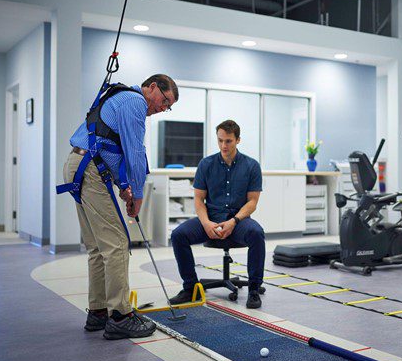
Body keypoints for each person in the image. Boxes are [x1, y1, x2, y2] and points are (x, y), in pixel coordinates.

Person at [63, 74, 178, 339]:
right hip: (89, 170)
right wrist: (137, 195)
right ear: (151, 87)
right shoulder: (135, 102)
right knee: (116, 244)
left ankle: (99, 312)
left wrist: (121, 185)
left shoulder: (122, 99)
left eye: (168, 106)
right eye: (164, 100)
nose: (163, 108)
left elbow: (110, 147)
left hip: (78, 166)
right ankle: (120, 316)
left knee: (98, 247)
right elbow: (135, 151)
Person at [170, 120, 266, 309]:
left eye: (228, 141)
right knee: (178, 235)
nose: (224, 145)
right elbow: (199, 200)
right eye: (220, 140)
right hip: (210, 218)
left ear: (238, 140)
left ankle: (254, 289)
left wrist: (234, 221)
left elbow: (252, 202)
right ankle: (190, 288)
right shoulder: (206, 164)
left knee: (256, 233)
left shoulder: (252, 166)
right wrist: (205, 223)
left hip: (238, 220)